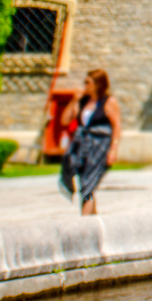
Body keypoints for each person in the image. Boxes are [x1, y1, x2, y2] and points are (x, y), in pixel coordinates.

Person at [58, 69, 121, 215]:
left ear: (97, 84)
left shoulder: (108, 101)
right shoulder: (83, 101)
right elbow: (64, 120)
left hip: (100, 148)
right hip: (82, 148)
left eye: (88, 82)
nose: (84, 85)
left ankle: (85, 225)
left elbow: (116, 126)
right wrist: (74, 100)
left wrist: (113, 149)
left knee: (88, 185)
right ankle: (95, 222)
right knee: (87, 185)